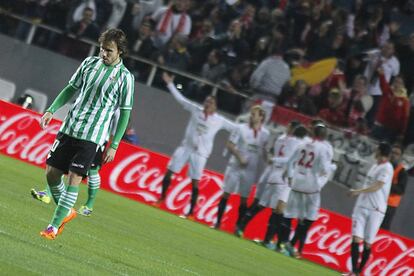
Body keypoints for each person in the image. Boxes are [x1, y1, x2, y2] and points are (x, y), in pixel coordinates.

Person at [38, 28, 134, 240]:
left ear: (120, 52)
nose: (104, 54)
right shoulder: (89, 63)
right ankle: (67, 211)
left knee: (74, 177)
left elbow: (125, 114)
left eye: (109, 50)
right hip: (70, 127)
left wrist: (115, 144)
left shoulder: (125, 78)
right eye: (102, 49)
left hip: (93, 135)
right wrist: (51, 109)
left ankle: (53, 226)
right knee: (51, 174)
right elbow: (70, 89)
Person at [156, 72, 235, 219]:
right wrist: (170, 84)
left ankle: (191, 212)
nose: (207, 104)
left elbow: (236, 128)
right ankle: (161, 198)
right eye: (206, 101)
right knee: (169, 171)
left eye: (210, 102)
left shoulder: (219, 120)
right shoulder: (195, 109)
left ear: (215, 107)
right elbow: (181, 100)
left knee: (195, 182)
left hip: (200, 154)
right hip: (186, 147)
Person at [31, 110, 121, 216]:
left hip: (97, 140)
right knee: (59, 165)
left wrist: (112, 145)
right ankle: (48, 193)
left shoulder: (116, 106)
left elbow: (116, 128)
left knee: (92, 171)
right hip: (75, 134)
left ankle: (89, 205)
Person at [236, 122, 307, 246]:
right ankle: (268, 240)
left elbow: (276, 153)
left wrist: (273, 159)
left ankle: (241, 226)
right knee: (278, 211)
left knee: (261, 204)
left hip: (272, 174)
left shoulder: (280, 139)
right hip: (284, 177)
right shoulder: (297, 143)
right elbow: (289, 160)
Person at [279, 123, 333, 258]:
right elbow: (325, 169)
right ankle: (291, 243)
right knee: (310, 217)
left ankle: (285, 241)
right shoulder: (323, 148)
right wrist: (332, 167)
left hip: (297, 182)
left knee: (288, 214)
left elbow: (290, 162)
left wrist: (290, 176)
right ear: (323, 135)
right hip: (310, 187)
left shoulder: (302, 144)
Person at [214, 105, 270, 230]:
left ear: (261, 117)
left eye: (254, 114)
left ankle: (238, 227)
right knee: (226, 194)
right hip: (235, 166)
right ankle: (217, 223)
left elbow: (264, 151)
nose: (251, 116)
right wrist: (239, 157)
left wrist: (269, 161)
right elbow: (230, 144)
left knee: (244, 199)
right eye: (251, 113)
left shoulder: (265, 134)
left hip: (251, 170)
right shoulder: (240, 128)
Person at [345, 142, 393, 276]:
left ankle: (359, 271)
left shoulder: (387, 168)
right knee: (355, 238)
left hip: (376, 209)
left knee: (367, 243)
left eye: (377, 149)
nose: (375, 151)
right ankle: (353, 271)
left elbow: (377, 186)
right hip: (362, 206)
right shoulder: (374, 166)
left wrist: (357, 191)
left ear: (381, 152)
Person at [380, 144, 408, 230]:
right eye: (392, 152)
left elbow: (401, 190)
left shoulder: (402, 171)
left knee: (383, 228)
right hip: (378, 200)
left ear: (400, 157)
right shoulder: (383, 165)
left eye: (396, 153)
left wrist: (387, 184)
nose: (393, 155)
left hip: (390, 205)